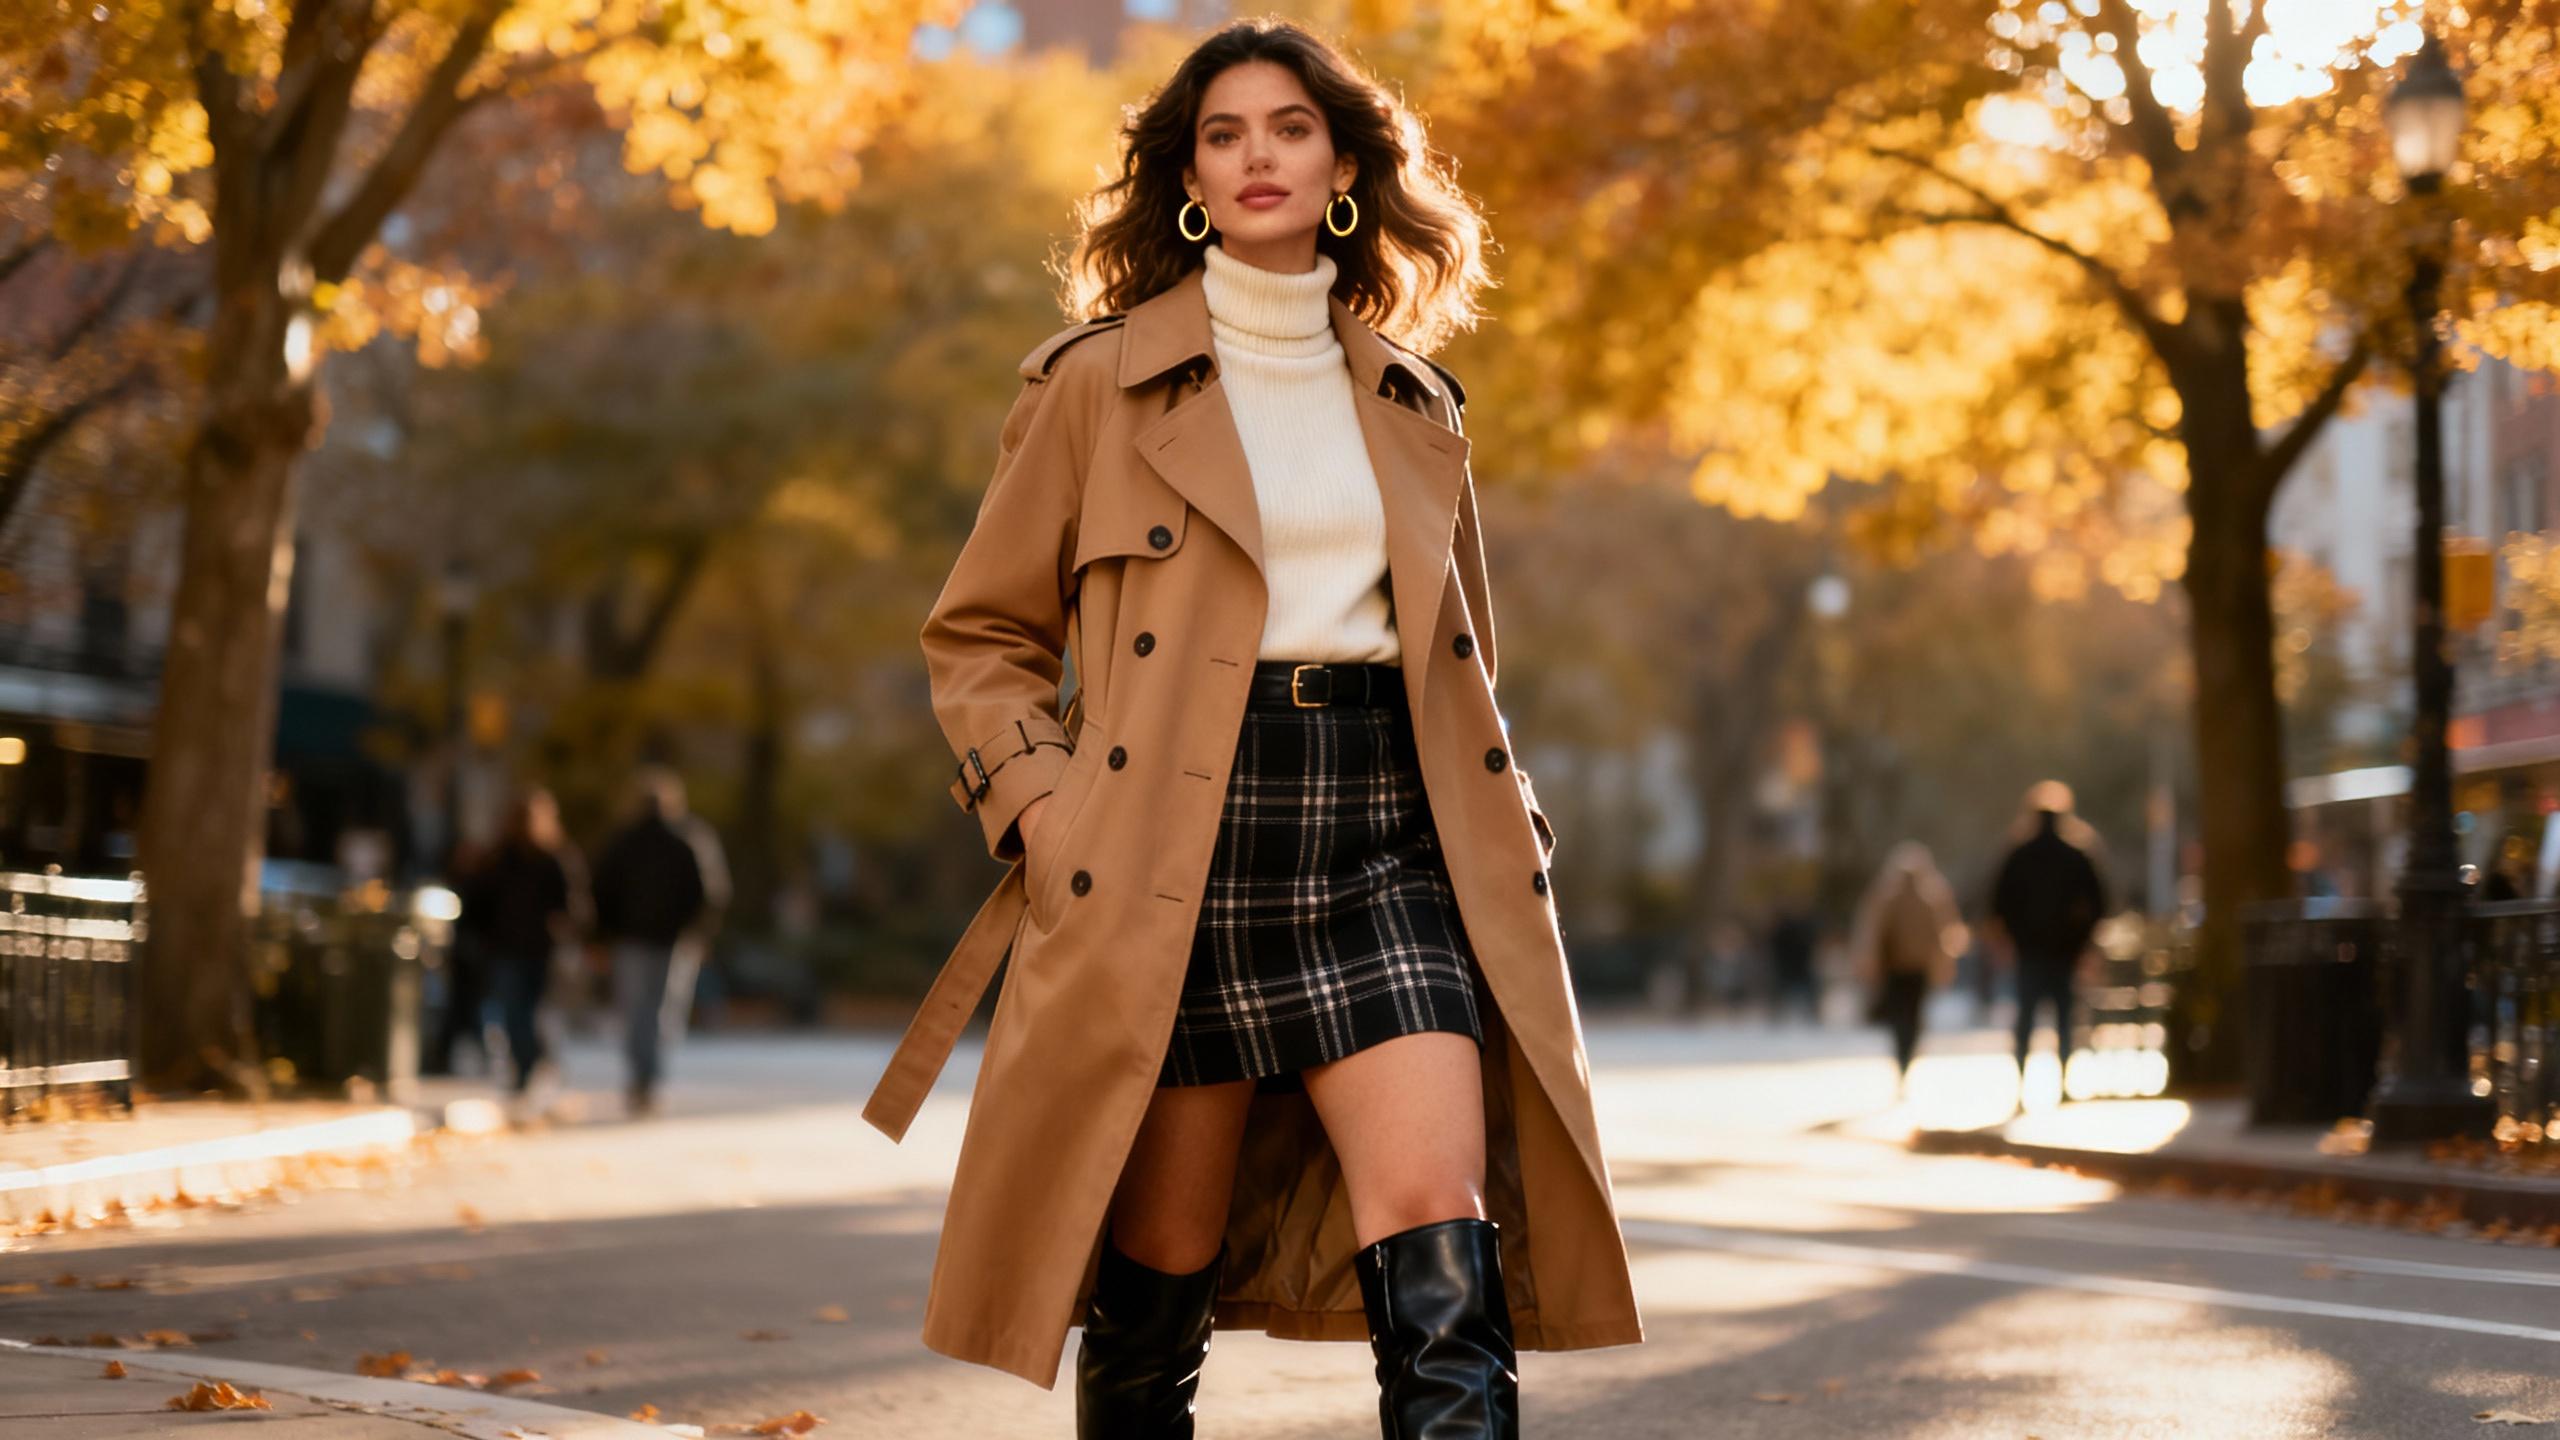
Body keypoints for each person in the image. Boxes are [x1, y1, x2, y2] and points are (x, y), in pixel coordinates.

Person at [859, 18, 1639, 1435]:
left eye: (1287, 128)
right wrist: (1047, 809)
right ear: (1188, 178)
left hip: (1389, 839)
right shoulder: (1093, 385)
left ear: (1343, 163)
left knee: (1444, 1232)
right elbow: (978, 637)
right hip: (1172, 844)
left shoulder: (1417, 400)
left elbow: (1457, 657)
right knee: (1161, 1275)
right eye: (1223, 135)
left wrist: (1501, 802)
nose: (1256, 156)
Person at [589, 768, 728, 1117]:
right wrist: (699, 932)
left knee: (640, 1012)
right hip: (664, 940)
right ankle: (647, 1080)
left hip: (645, 940)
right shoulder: (684, 839)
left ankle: (644, 1079)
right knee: (659, 1013)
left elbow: (601, 890)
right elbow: (711, 893)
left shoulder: (629, 840)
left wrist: (602, 936)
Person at [459, 788, 589, 1120]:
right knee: (513, 1012)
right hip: (504, 947)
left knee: (532, 1013)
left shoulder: (553, 857)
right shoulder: (498, 857)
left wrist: (566, 932)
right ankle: (527, 1069)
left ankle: (535, 1068)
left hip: (539, 949)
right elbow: (477, 901)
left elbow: (573, 906)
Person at [1988, 781, 2110, 1104]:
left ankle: (2021, 1083)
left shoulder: (2018, 855)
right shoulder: (2076, 855)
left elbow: (1998, 904)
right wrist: (2082, 940)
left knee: (2026, 1020)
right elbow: (2100, 903)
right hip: (2064, 953)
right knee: (2065, 1019)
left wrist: (2013, 938)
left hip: (2031, 953)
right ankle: (2064, 1083)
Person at [1848, 843, 1964, 1098]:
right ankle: (1906, 1057)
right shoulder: (1930, 898)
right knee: (1911, 1018)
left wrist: (1870, 964)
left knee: (1901, 1018)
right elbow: (1946, 937)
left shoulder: (1887, 897)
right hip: (1915, 970)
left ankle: (1902, 1057)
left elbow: (1871, 935)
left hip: (1897, 969)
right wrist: (1943, 965)